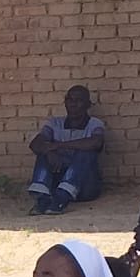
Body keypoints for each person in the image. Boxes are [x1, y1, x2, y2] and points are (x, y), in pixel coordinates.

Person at [28, 85, 104, 215]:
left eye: (79, 100)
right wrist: (48, 151)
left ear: (88, 105)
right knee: (43, 151)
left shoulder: (94, 124)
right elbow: (35, 144)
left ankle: (61, 199)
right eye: (70, 100)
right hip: (56, 184)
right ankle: (42, 199)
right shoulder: (54, 123)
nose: (73, 104)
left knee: (86, 153)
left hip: (85, 187)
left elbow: (96, 143)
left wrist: (57, 146)